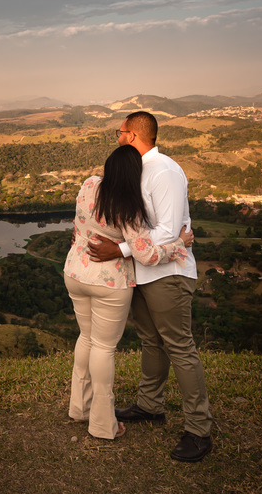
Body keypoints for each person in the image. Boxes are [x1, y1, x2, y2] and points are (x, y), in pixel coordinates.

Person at [86, 111, 214, 462]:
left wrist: (121, 248)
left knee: (179, 347)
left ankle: (199, 431)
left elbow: (170, 232)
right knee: (150, 340)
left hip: (168, 274)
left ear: (132, 134)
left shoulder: (165, 172)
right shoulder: (136, 172)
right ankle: (150, 405)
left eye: (119, 131)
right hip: (141, 273)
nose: (116, 136)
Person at [64, 144, 193, 440]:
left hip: (75, 272)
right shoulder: (127, 206)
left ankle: (79, 407)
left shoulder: (88, 185)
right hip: (109, 282)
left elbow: (79, 223)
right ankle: (101, 423)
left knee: (86, 337)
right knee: (104, 348)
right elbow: (145, 255)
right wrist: (180, 244)